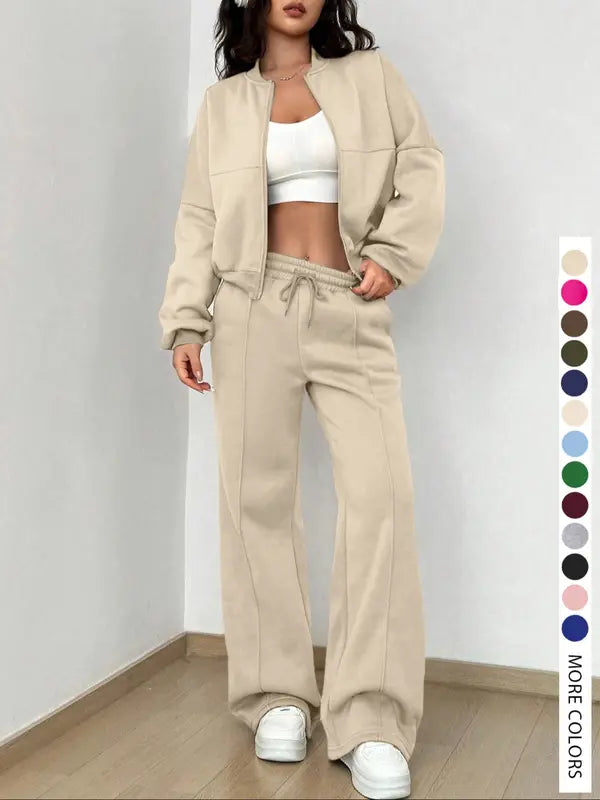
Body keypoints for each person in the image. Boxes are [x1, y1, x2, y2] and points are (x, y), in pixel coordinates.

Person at [158, 0, 445, 797]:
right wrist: (186, 319)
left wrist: (392, 253)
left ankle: (372, 716)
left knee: (381, 499)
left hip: (349, 304)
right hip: (251, 306)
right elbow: (198, 218)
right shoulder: (225, 104)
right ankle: (276, 695)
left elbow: (422, 165)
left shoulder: (370, 77)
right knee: (257, 501)